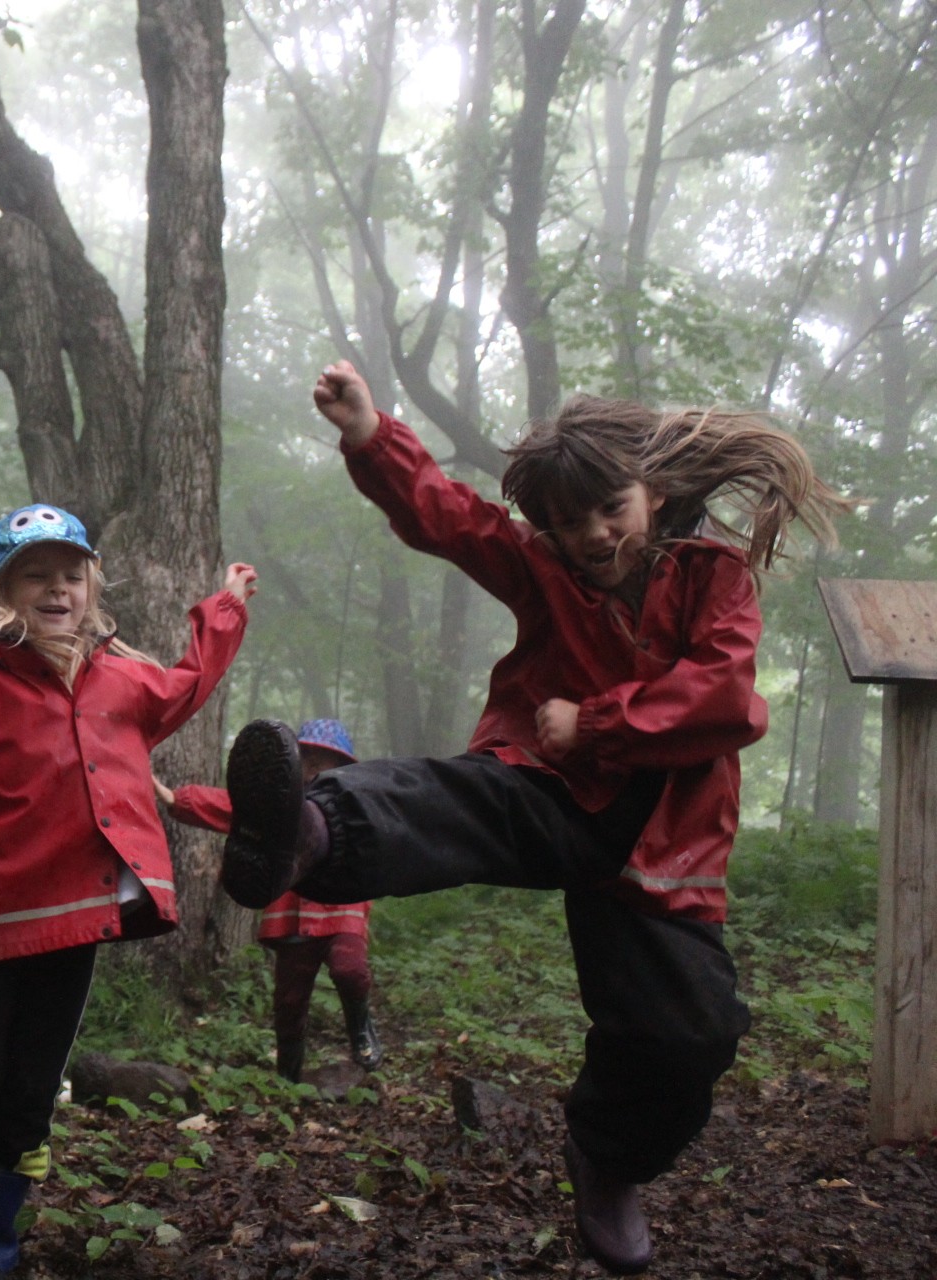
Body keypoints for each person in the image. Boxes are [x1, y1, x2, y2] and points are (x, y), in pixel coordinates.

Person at [221, 363, 848, 1275]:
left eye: (610, 511)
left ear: (654, 490)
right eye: (566, 522)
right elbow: (452, 517)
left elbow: (725, 700)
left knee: (693, 1033)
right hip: (549, 788)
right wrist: (370, 435)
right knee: (456, 799)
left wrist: (596, 722)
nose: (591, 536)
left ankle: (609, 1160)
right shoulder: (545, 565)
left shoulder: (715, 577)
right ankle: (312, 833)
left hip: (664, 843)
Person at [0, 504, 255, 1280]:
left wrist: (224, 609)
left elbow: (186, 686)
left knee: (30, 1090)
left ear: (91, 586)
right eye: (36, 576)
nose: (57, 589)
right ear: (3, 592)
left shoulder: (121, 679)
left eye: (70, 576)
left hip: (75, 916)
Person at [155, 717, 378, 1081]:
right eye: (307, 759)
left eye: (324, 760)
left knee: (349, 969)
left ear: (341, 767)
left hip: (342, 909)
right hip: (291, 915)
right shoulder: (280, 806)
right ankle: (288, 1074)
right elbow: (233, 807)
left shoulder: (353, 804)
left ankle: (361, 1030)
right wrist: (176, 798)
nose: (314, 768)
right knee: (290, 1000)